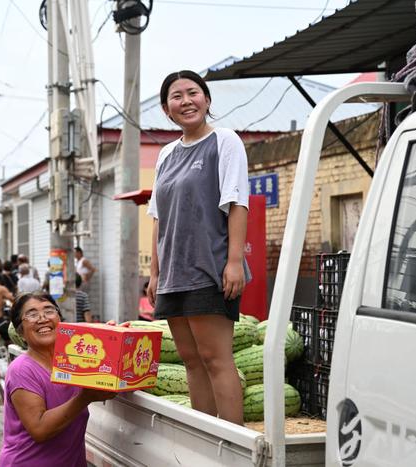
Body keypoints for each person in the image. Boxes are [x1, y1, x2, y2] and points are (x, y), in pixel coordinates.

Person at [147, 70, 250, 425]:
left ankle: (233, 442)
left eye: (193, 92)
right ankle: (205, 438)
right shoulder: (166, 155)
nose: (186, 101)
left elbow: (237, 203)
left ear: (206, 99)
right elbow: (158, 218)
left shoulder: (225, 141)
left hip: (210, 268)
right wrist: (155, 272)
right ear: (166, 109)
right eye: (177, 96)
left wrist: (234, 261)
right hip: (174, 273)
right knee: (191, 360)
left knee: (216, 358)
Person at [0, 291, 115, 466]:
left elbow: (109, 377)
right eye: (31, 314)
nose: (42, 318)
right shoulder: (22, 369)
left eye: (49, 310)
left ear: (60, 320)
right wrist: (85, 397)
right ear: (20, 332)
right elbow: (39, 429)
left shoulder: (73, 361)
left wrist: (115, 337)